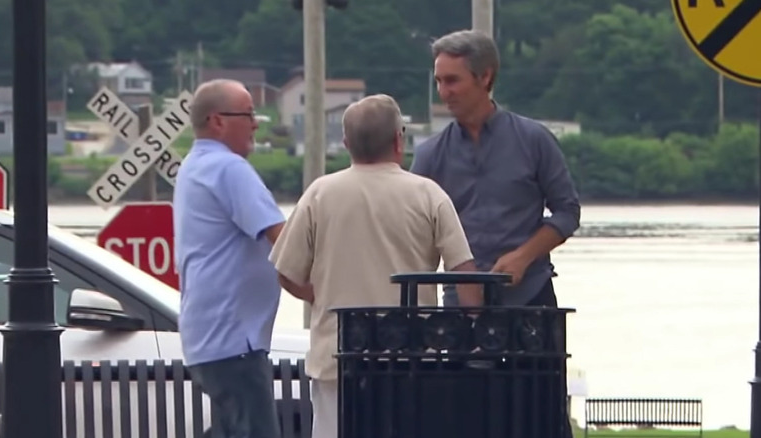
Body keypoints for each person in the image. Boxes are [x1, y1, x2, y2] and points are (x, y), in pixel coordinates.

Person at [268, 94, 484, 438]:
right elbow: (465, 273)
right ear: (399, 140)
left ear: (346, 143)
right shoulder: (429, 194)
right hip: (412, 359)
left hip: (337, 359)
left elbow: (285, 271)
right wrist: (475, 332)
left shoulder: (320, 194)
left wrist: (319, 294)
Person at [410, 29, 581, 437]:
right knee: (463, 420)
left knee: (540, 417)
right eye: (438, 81)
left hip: (531, 301)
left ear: (485, 77)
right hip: (458, 312)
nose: (443, 91)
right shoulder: (431, 154)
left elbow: (568, 211)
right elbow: (416, 232)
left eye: (452, 80)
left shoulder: (533, 139)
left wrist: (524, 255)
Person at [173, 79, 284, 438]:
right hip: (236, 340)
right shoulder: (228, 168)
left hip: (209, 338)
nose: (255, 123)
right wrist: (322, 289)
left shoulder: (194, 166)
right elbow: (286, 241)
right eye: (248, 114)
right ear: (218, 120)